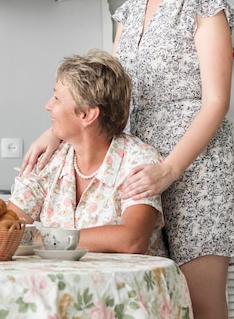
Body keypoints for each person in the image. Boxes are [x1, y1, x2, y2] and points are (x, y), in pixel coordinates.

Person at [21, 0, 234, 318]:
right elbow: (105, 91)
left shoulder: (204, 5)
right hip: (138, 167)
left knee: (201, 306)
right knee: (153, 302)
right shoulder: (129, 12)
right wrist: (55, 132)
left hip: (197, 171)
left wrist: (170, 169)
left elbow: (216, 102)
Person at [9, 50, 167, 256]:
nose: (48, 105)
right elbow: (8, 227)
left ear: (87, 114)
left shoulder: (138, 161)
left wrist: (46, 238)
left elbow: (133, 239)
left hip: (124, 286)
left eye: (57, 97)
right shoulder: (50, 158)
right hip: (61, 285)